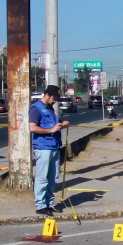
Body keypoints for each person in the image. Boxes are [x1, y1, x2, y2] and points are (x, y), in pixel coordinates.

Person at [29, 85, 68, 216]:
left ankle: (50, 204)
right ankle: (40, 205)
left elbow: (54, 126)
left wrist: (61, 125)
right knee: (42, 177)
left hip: (54, 147)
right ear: (47, 95)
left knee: (53, 178)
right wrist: (50, 131)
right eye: (54, 98)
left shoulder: (50, 109)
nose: (55, 101)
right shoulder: (36, 108)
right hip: (43, 148)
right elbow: (32, 128)